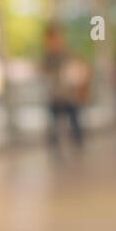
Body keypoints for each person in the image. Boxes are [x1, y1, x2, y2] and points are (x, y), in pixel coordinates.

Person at [40, 22, 84, 155]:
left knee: (74, 121)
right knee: (54, 124)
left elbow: (76, 70)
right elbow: (45, 73)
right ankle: (55, 147)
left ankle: (78, 145)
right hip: (55, 95)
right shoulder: (48, 57)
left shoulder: (67, 53)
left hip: (68, 94)